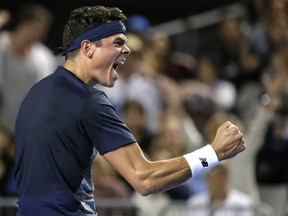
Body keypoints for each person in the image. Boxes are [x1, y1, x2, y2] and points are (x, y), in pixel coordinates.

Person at [14, 5, 246, 216]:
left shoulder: (34, 94)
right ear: (87, 48)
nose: (126, 51)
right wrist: (214, 153)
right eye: (117, 42)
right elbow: (145, 178)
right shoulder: (88, 101)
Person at [0, 3, 58, 132]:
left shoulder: (44, 58)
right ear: (25, 25)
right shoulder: (2, 45)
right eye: (37, 30)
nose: (42, 36)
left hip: (26, 127)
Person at [185, 164, 254, 216]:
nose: (217, 180)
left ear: (227, 177)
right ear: (207, 178)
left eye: (221, 176)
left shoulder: (242, 203)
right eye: (214, 177)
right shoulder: (194, 202)